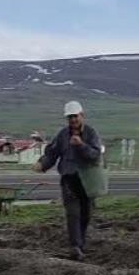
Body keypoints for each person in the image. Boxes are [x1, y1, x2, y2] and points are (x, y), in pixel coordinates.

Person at [33, 101, 102, 260]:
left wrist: (81, 146)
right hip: (69, 179)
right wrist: (42, 164)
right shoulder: (63, 135)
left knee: (86, 214)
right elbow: (52, 152)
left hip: (87, 180)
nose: (73, 120)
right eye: (70, 117)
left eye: (75, 116)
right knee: (72, 213)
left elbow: (95, 155)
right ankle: (75, 247)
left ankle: (80, 243)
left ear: (82, 116)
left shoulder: (91, 134)